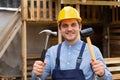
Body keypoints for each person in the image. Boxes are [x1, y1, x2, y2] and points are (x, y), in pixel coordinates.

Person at [32, 6, 112, 80]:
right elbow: (39, 77)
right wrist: (36, 73)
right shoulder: (52, 52)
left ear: (80, 27)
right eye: (65, 25)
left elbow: (108, 78)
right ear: (59, 29)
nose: (69, 29)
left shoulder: (93, 51)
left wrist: (102, 74)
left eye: (73, 25)